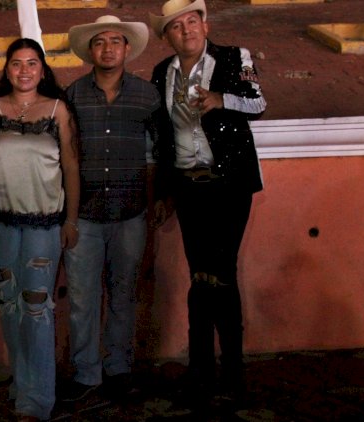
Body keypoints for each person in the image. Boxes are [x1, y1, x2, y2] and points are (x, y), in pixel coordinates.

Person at [148, 0, 266, 405]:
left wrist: (220, 99)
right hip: (188, 187)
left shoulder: (234, 58)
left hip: (229, 185)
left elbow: (258, 103)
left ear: (205, 25)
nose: (187, 30)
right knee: (199, 276)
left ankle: (232, 370)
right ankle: (200, 369)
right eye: (176, 26)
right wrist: (163, 192)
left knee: (222, 274)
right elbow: (163, 138)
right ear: (167, 36)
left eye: (192, 21)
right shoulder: (162, 72)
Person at [0, 38, 80, 422]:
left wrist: (71, 219)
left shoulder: (57, 110)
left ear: (42, 69)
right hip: (0, 223)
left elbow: (71, 167)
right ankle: (22, 385)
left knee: (36, 307)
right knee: (9, 306)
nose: (24, 70)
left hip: (44, 223)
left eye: (32, 63)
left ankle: (37, 400)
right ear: (6, 69)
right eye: (16, 63)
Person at [61, 15, 161, 402]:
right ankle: (86, 374)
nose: (107, 48)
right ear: (90, 51)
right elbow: (65, 153)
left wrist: (159, 199)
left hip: (130, 212)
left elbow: (159, 152)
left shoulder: (146, 95)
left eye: (115, 41)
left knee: (123, 295)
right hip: (84, 215)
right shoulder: (73, 95)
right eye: (99, 42)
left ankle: (118, 369)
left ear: (126, 48)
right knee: (82, 299)